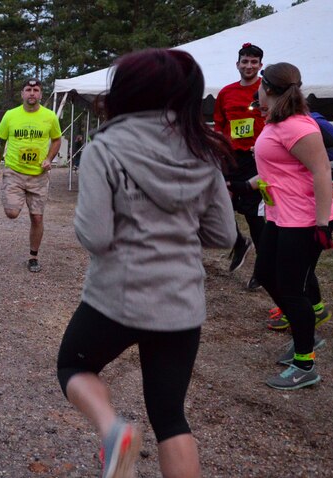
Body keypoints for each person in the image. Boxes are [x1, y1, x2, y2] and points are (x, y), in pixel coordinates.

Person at [57, 49, 235, 478]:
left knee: (74, 365)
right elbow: (224, 235)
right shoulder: (203, 150)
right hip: (181, 303)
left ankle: (113, 430)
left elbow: (96, 237)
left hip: (116, 298)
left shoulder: (106, 147)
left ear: (127, 92)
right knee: (170, 417)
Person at [230, 62, 333, 389]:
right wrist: (243, 185)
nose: (256, 92)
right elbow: (278, 169)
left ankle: (305, 363)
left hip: (305, 221)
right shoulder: (277, 123)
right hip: (281, 216)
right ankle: (304, 330)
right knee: (265, 274)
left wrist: (321, 224)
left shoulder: (299, 127)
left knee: (293, 289)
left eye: (260, 86)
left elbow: (322, 172)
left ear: (270, 89)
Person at [0, 78, 62, 272]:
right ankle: (14, 197)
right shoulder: (11, 115)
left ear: (40, 94)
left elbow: (56, 140)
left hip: (39, 176)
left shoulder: (50, 117)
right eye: (28, 90)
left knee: (37, 218)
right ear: (22, 94)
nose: (32, 93)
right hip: (14, 172)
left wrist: (49, 158)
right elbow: (0, 142)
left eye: (36, 90)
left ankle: (33, 256)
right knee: (12, 213)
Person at [213, 42, 266, 289]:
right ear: (237, 64)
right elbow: (220, 125)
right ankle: (238, 243)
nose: (249, 66)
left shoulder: (266, 90)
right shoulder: (226, 92)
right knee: (220, 200)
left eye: (254, 62)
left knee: (254, 214)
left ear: (260, 65)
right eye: (245, 61)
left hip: (258, 159)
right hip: (231, 157)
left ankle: (262, 271)